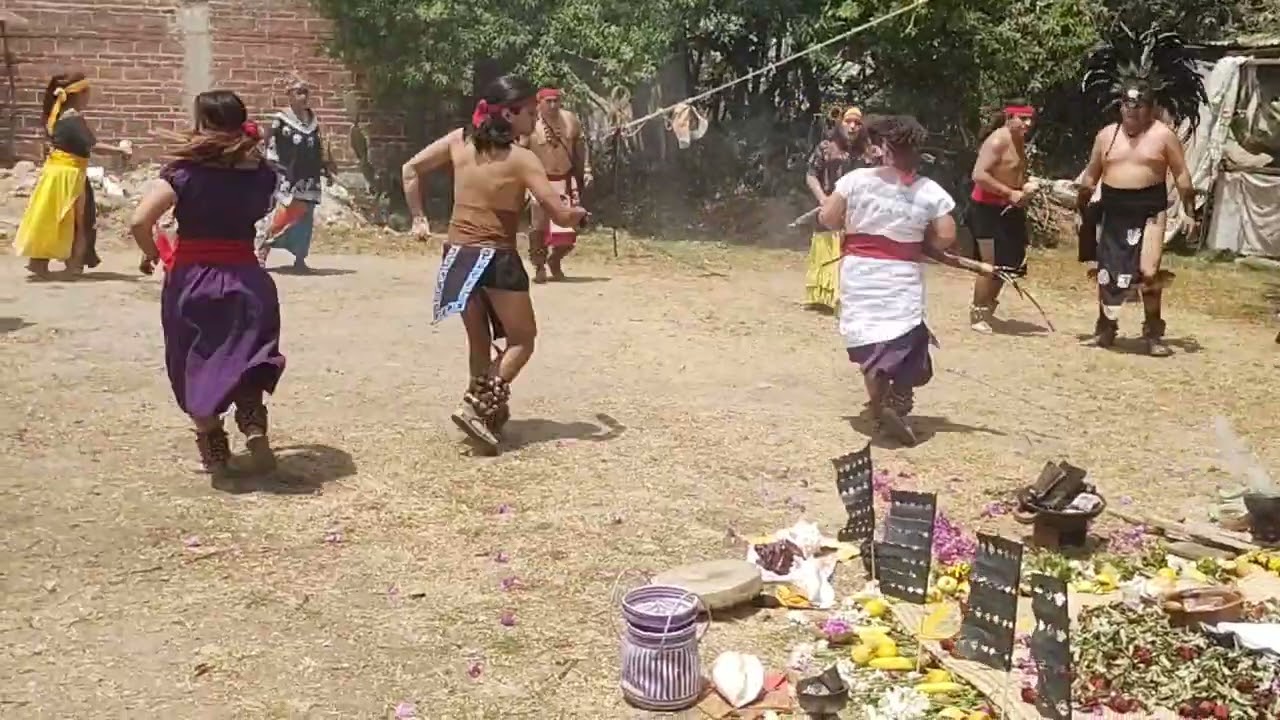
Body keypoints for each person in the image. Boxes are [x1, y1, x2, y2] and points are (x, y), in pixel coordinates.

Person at [402, 75, 587, 453]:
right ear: (509, 113)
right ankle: (476, 406)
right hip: (495, 257)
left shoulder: (459, 141)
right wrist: (578, 215)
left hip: (457, 255)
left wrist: (419, 217)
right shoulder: (522, 160)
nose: (536, 120)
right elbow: (559, 213)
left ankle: (487, 412)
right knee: (522, 339)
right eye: (531, 113)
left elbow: (411, 169)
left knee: (479, 341)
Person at [128, 90, 286, 478]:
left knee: (193, 359)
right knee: (247, 350)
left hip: (194, 278)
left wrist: (151, 253)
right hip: (248, 276)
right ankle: (251, 417)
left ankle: (215, 453)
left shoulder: (182, 174)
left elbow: (138, 222)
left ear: (203, 123)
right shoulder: (263, 174)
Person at [818, 115, 996, 447]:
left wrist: (835, 214)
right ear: (915, 152)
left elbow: (829, 219)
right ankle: (897, 400)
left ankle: (878, 404)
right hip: (901, 277)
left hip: (860, 274)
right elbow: (946, 236)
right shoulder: (929, 191)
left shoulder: (855, 180)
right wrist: (917, 236)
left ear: (882, 148)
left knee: (871, 341)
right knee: (904, 339)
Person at [1076, 26, 1205, 356]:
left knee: (1148, 272)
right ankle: (1105, 329)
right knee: (1108, 274)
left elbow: (1182, 177)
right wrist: (1083, 211)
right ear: (1120, 107)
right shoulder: (1106, 135)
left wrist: (1190, 214)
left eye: (1137, 107)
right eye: (1126, 106)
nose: (1131, 112)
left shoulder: (1163, 136)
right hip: (1113, 207)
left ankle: (1153, 332)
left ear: (1149, 108)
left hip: (1149, 208)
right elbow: (1090, 177)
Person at [14, 72, 131, 279]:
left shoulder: (55, 114)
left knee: (50, 217)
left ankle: (39, 262)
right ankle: (74, 265)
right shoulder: (73, 118)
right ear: (80, 94)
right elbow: (93, 146)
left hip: (55, 174)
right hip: (70, 175)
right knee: (79, 221)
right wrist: (120, 151)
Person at [967, 101, 1036, 333]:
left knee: (1009, 263)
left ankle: (987, 309)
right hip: (987, 211)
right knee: (990, 263)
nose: (1027, 124)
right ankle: (977, 313)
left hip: (1009, 210)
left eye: (1030, 119)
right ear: (1009, 117)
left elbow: (1012, 171)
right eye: (1022, 119)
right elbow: (979, 174)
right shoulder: (998, 140)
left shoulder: (1019, 140)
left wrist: (1025, 187)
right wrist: (1009, 193)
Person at [258, 80, 334, 272]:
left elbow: (319, 148)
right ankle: (263, 250)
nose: (304, 97)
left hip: (310, 178)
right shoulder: (280, 120)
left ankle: (300, 258)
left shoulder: (313, 121)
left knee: (305, 218)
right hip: (288, 176)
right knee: (283, 215)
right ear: (290, 95)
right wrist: (274, 167)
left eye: (306, 93)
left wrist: (326, 168)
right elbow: (270, 145)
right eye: (299, 93)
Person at [803, 107, 868, 312]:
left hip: (853, 212)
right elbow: (811, 175)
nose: (853, 126)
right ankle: (821, 296)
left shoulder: (866, 152)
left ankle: (844, 296)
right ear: (841, 123)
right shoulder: (825, 147)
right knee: (825, 247)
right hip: (828, 206)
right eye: (849, 121)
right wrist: (823, 198)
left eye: (857, 123)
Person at [524, 86, 590, 283]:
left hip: (566, 181)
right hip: (540, 181)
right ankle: (539, 266)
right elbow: (520, 151)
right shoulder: (530, 123)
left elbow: (581, 147)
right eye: (548, 101)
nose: (552, 105)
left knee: (571, 226)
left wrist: (586, 170)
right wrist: (524, 184)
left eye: (556, 101)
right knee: (539, 226)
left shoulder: (570, 120)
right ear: (539, 103)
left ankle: (555, 260)